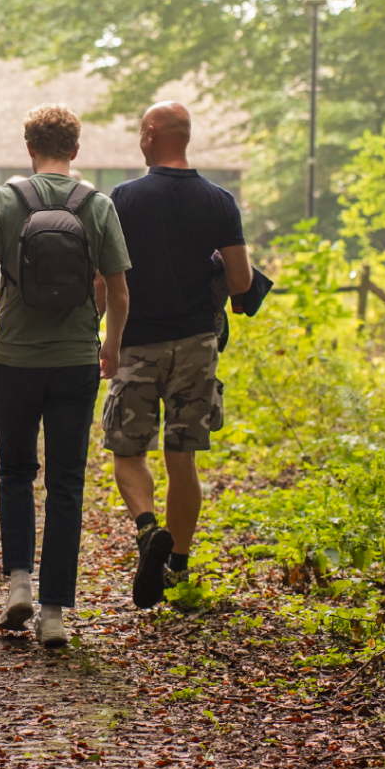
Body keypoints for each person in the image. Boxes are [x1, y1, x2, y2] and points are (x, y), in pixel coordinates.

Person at [0, 103, 132, 648]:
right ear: (76, 151)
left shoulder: (7, 201)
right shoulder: (97, 205)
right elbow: (120, 290)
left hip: (14, 357)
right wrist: (110, 345)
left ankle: (17, 585)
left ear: (28, 148)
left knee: (14, 472)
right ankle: (54, 611)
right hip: (75, 358)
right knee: (66, 482)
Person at [104, 101, 252, 608]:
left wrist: (100, 336)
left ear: (150, 134)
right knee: (182, 455)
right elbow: (241, 282)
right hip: (196, 343)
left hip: (138, 342)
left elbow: (107, 281)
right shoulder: (219, 201)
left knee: (128, 452)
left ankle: (148, 531)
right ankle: (179, 566)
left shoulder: (122, 198)